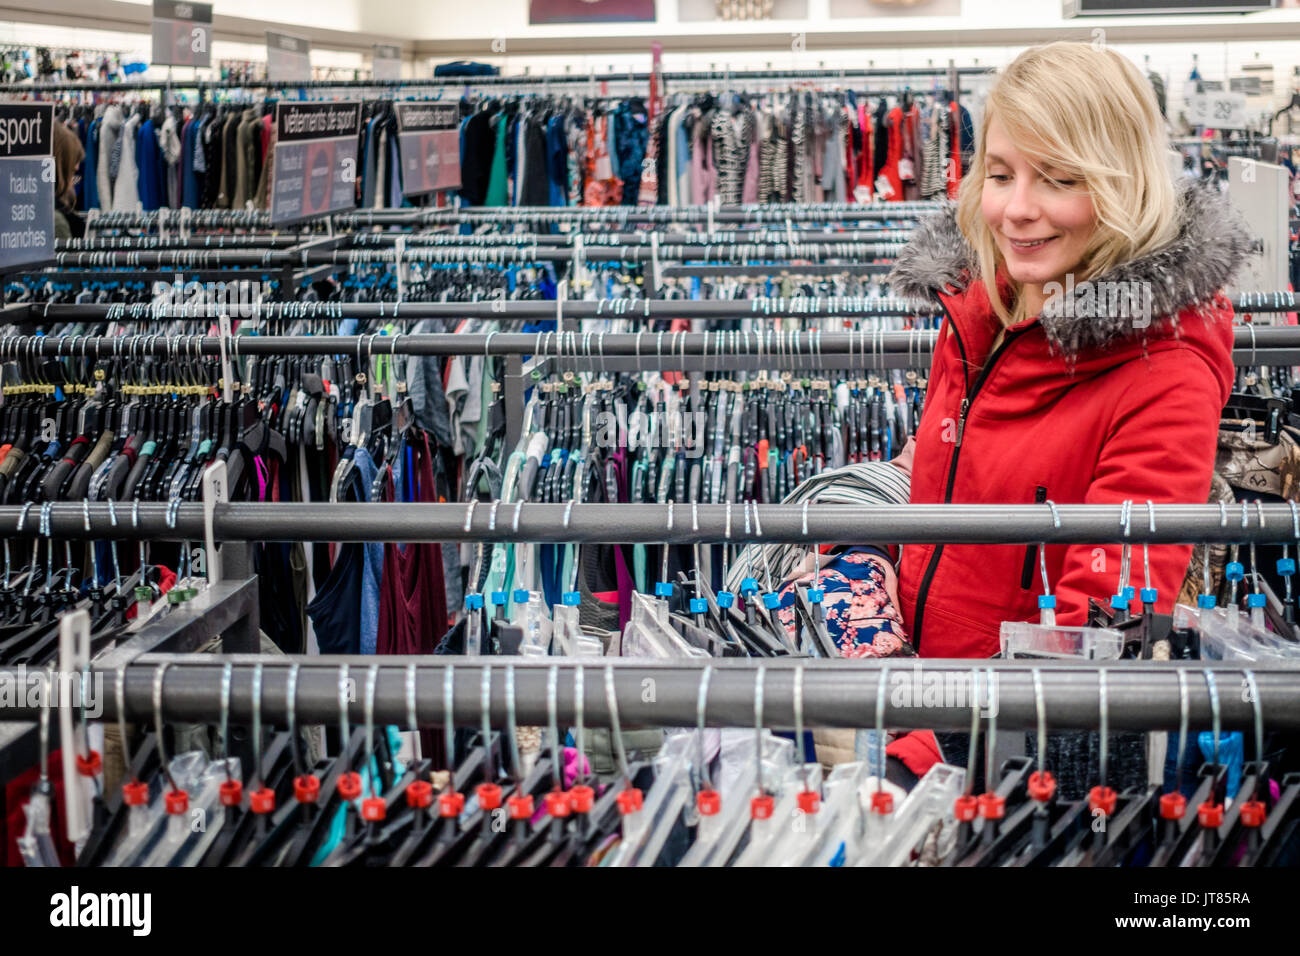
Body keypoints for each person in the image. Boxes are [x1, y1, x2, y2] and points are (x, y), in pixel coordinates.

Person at [885, 41, 1253, 676]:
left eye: (1059, 178)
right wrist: (861, 554)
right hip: (914, 687)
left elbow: (1100, 641)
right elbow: (937, 485)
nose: (1017, 209)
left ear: (1123, 184)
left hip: (1005, 750)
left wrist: (919, 742)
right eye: (1000, 175)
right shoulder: (978, 313)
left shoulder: (1164, 372)